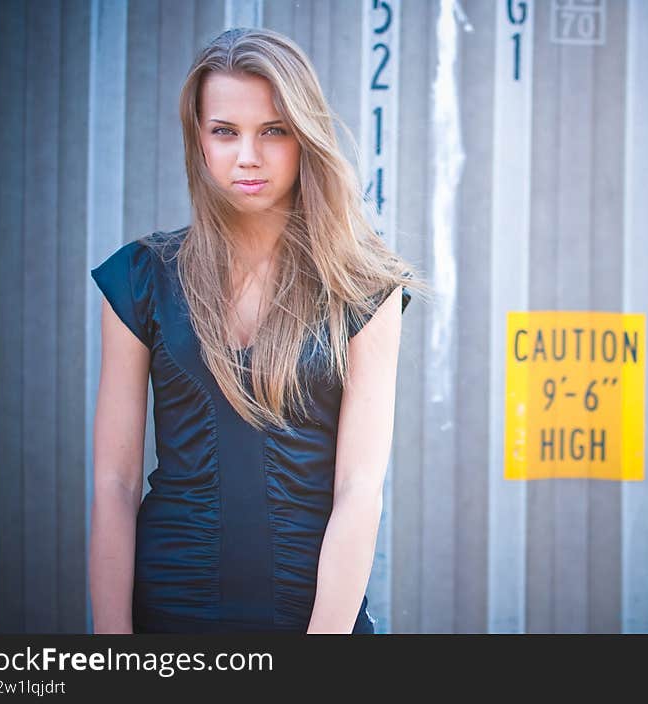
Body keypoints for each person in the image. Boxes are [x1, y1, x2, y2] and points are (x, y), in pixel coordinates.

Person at [88, 27, 426, 634]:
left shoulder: (364, 287)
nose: (248, 155)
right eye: (225, 131)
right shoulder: (140, 279)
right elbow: (114, 483)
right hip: (169, 616)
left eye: (273, 131)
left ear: (304, 137)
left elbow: (359, 488)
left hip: (312, 615)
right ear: (199, 139)